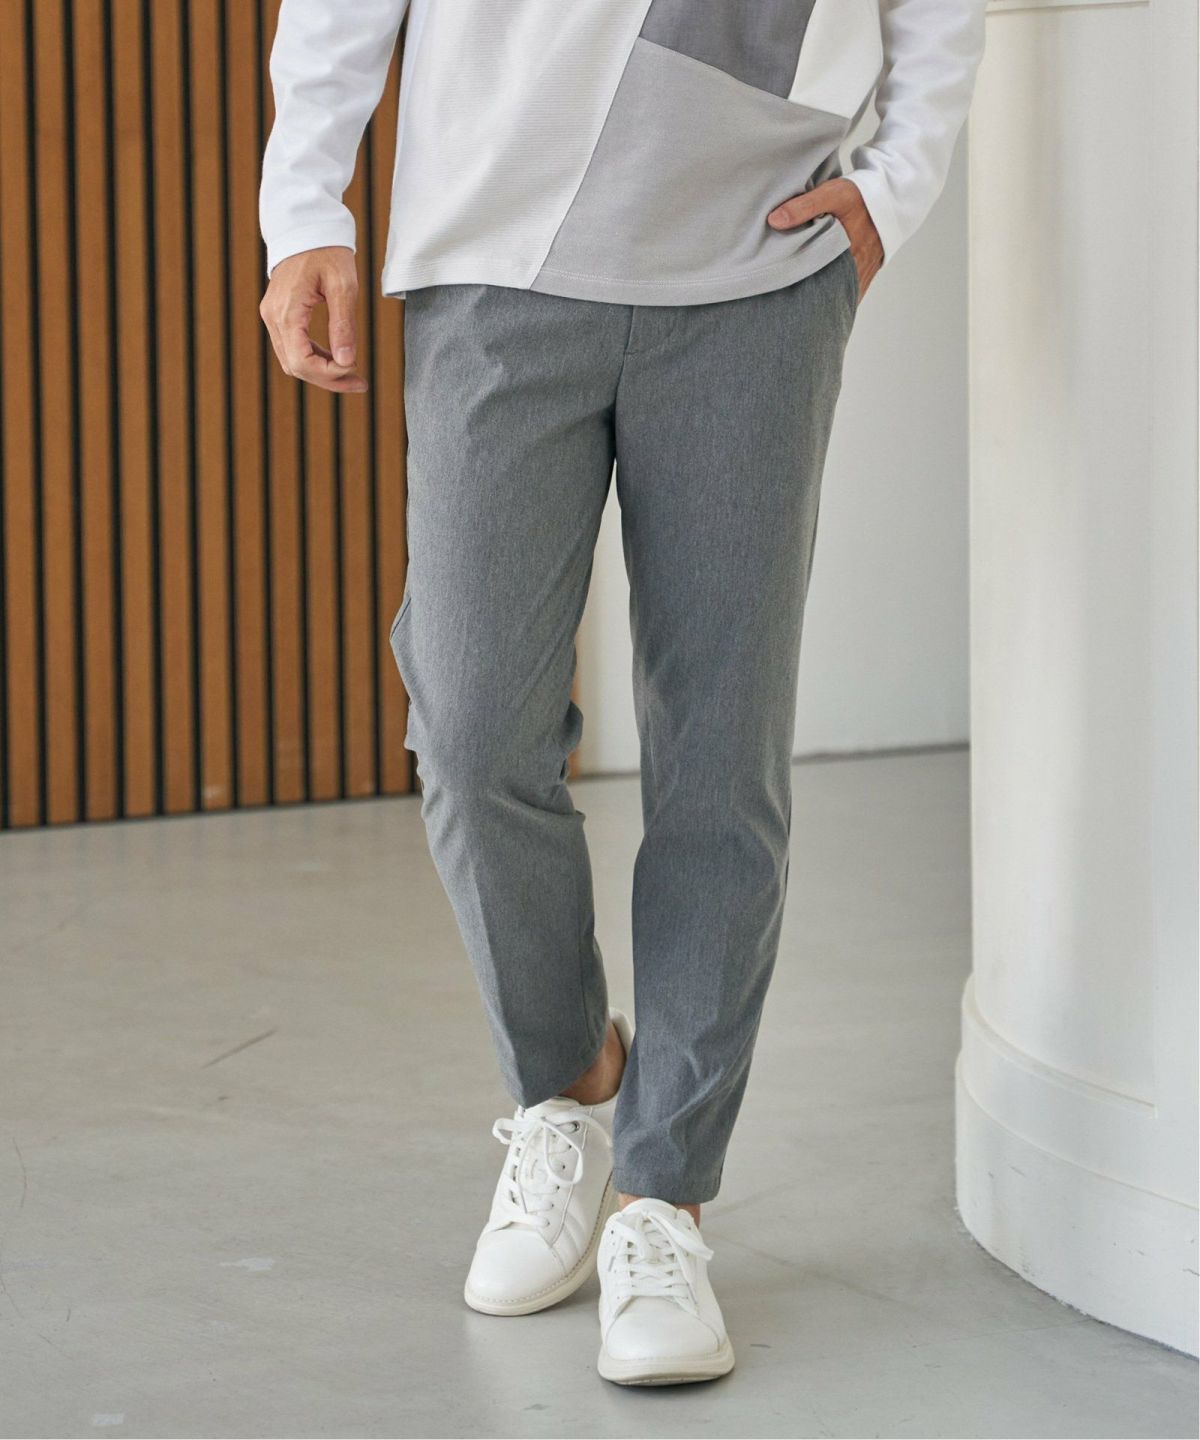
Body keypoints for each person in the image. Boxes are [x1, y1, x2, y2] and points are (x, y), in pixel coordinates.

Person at [259, 0, 986, 1387]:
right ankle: (570, 1078)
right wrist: (305, 210)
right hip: (497, 247)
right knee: (471, 727)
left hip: (757, 269)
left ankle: (665, 1194)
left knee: (722, 756)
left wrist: (896, 188)